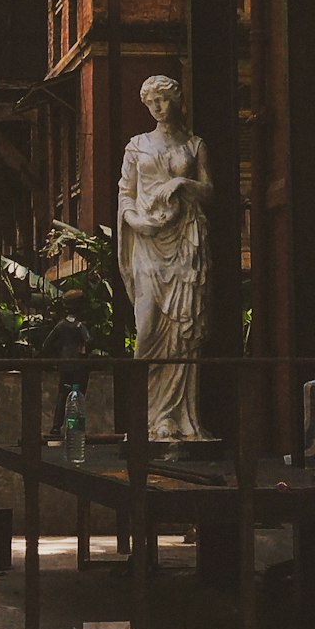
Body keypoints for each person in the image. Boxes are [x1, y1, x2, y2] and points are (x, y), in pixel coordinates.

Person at [117, 75, 213, 441]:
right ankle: (148, 416)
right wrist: (135, 221)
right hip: (147, 243)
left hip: (186, 243)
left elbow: (209, 191)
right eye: (151, 102)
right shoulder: (137, 147)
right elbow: (126, 193)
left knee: (184, 331)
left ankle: (177, 420)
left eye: (163, 100)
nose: (158, 107)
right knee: (147, 329)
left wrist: (182, 184)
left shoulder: (194, 145)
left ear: (176, 100)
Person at [44, 289, 93, 436]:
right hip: (78, 365)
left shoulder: (61, 325)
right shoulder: (79, 326)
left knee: (62, 395)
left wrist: (57, 356)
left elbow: (47, 344)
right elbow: (89, 340)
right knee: (78, 397)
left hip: (65, 365)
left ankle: (56, 427)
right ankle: (75, 427)